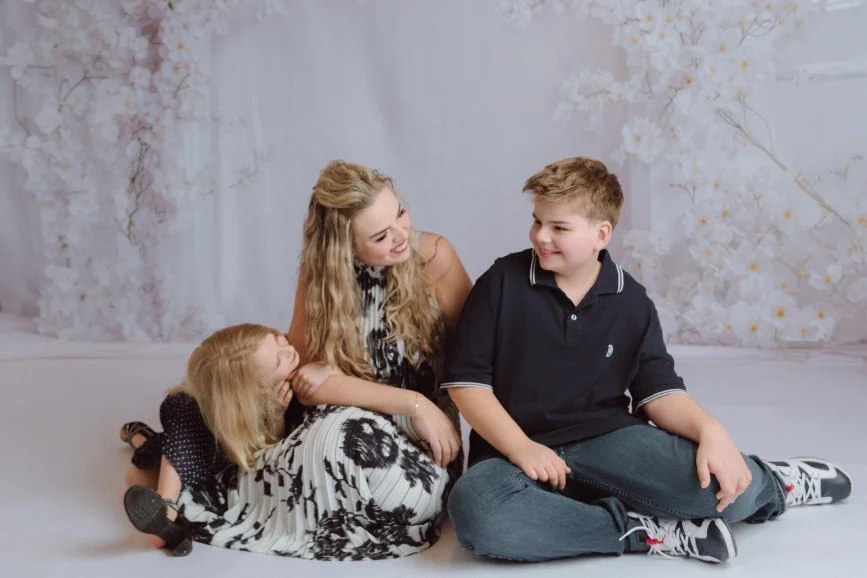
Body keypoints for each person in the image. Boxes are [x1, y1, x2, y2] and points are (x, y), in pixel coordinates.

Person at [442, 156, 852, 565]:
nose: (541, 236)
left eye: (559, 227)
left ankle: (776, 482)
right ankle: (645, 532)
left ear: (602, 234)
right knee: (481, 516)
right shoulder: (502, 282)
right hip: (513, 450)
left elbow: (657, 391)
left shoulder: (631, 300)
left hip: (606, 440)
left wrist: (712, 430)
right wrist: (522, 449)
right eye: (537, 221)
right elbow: (467, 384)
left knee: (732, 491)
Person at [122, 160, 472, 560]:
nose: (401, 236)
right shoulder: (321, 277)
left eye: (400, 214)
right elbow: (305, 381)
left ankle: (157, 463)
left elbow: (476, 361)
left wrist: (424, 407)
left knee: (344, 437)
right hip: (337, 423)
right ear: (343, 247)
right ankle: (165, 488)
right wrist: (405, 400)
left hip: (421, 443)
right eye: (379, 235)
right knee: (198, 399)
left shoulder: (434, 258)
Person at [120, 324, 298, 556]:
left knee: (142, 471)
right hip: (203, 447)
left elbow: (273, 448)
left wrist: (277, 416)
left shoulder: (285, 381)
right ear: (256, 388)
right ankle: (166, 507)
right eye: (278, 361)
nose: (290, 349)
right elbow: (181, 450)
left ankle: (141, 436)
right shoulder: (198, 407)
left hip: (228, 466)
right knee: (138, 473)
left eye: (279, 340)